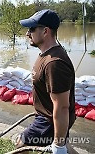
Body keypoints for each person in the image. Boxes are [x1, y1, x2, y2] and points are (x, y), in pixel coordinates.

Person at [17, 9, 76, 154]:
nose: (27, 33)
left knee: (20, 145)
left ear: (45, 31)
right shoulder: (47, 54)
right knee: (67, 149)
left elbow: (62, 107)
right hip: (46, 117)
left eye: (31, 29)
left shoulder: (54, 63)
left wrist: (58, 145)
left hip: (48, 121)